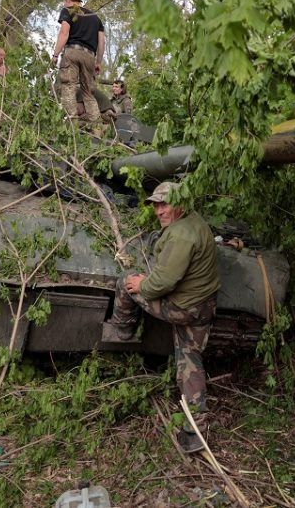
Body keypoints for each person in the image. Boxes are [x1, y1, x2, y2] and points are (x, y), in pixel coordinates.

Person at [108, 181, 220, 453]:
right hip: (204, 305)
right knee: (190, 358)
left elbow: (163, 282)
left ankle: (121, 330)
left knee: (126, 280)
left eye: (165, 204)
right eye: (156, 204)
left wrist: (141, 284)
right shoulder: (195, 222)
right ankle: (195, 431)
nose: (159, 210)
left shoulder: (180, 235)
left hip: (183, 307)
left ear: (180, 204)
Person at [51, 0, 105, 123]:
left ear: (69, 0)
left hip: (73, 52)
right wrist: (98, 62)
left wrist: (55, 55)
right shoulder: (95, 18)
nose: (64, 4)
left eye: (64, 2)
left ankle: (72, 125)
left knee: (68, 86)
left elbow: (64, 33)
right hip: (90, 56)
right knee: (88, 93)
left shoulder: (68, 10)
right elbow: (102, 42)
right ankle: (96, 128)